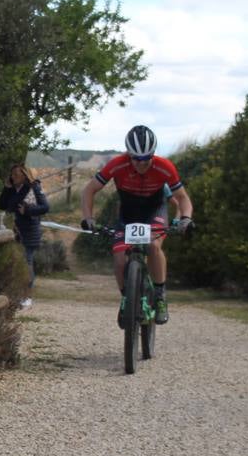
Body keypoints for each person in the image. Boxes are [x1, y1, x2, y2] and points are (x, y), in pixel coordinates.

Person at [79, 124, 193, 326]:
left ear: (153, 154)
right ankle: (126, 298)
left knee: (153, 245)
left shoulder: (164, 166)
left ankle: (159, 296)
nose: (141, 164)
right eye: (136, 159)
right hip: (128, 213)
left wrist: (185, 219)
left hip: (154, 210)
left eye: (146, 158)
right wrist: (88, 218)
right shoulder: (117, 164)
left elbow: (182, 198)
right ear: (128, 155)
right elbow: (89, 191)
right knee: (119, 257)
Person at [0, 163, 49, 308]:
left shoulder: (34, 188)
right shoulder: (11, 189)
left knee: (27, 262)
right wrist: (6, 188)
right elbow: (1, 205)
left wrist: (28, 211)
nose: (13, 177)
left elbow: (45, 207)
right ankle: (16, 294)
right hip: (13, 229)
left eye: (16, 174)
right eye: (12, 174)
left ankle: (27, 296)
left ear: (24, 175)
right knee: (15, 262)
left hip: (29, 230)